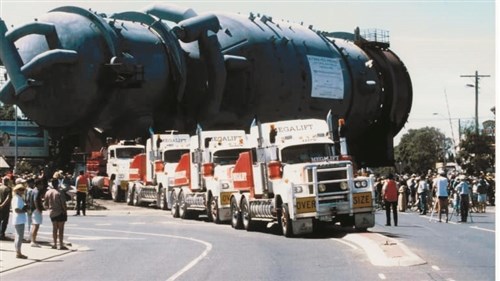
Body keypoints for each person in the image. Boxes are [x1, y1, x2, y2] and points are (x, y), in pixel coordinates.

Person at [44, 178, 69, 250]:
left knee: (54, 229)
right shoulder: (60, 192)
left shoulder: (48, 192)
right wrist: (65, 211)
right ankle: (61, 244)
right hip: (60, 212)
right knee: (61, 229)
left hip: (52, 212)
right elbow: (63, 204)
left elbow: (46, 204)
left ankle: (54, 244)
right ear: (57, 183)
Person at [11, 183, 28, 259]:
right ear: (17, 191)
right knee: (19, 236)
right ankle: (18, 253)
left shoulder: (18, 197)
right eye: (21, 190)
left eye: (23, 189)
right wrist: (24, 210)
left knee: (18, 236)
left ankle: (18, 251)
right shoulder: (17, 198)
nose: (22, 191)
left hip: (18, 219)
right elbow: (17, 209)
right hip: (19, 219)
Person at [30, 178, 44, 247]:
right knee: (36, 225)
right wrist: (38, 209)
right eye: (41, 184)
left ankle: (33, 240)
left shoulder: (33, 190)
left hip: (33, 209)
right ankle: (33, 241)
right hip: (36, 210)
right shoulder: (37, 191)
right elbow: (35, 200)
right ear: (38, 185)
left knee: (34, 225)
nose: (42, 185)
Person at [0, 176, 12, 240]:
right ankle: (2, 235)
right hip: (5, 207)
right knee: (4, 221)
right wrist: (3, 205)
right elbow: (8, 198)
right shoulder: (8, 188)